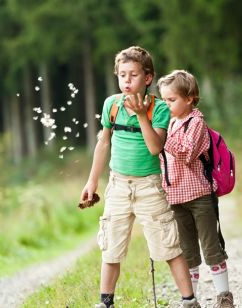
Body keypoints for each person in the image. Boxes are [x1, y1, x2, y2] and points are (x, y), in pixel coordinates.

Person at [80, 47, 200, 308]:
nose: (126, 81)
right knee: (111, 246)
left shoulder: (158, 109)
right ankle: (106, 302)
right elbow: (103, 143)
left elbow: (155, 147)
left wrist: (139, 115)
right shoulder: (111, 105)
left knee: (168, 245)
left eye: (133, 75)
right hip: (119, 185)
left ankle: (189, 300)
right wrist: (92, 181)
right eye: (122, 75)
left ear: (147, 78)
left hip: (149, 186)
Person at [157, 70, 235, 308]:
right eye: (164, 100)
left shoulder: (196, 122)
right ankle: (191, 299)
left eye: (172, 100)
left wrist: (161, 140)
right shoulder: (168, 123)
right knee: (187, 252)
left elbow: (187, 153)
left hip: (200, 196)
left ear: (189, 98)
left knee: (211, 246)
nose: (167, 105)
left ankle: (224, 296)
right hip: (175, 197)